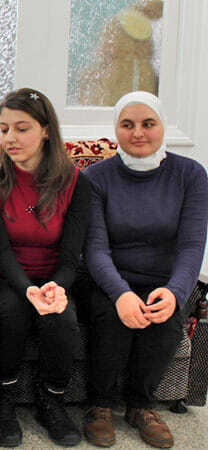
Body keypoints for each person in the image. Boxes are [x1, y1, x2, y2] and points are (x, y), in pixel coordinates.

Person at [83, 91, 208, 449]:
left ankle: (141, 405)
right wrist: (121, 293)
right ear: (116, 130)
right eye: (127, 124)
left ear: (162, 126)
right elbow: (95, 248)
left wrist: (175, 292)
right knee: (111, 317)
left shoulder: (191, 175)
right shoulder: (96, 177)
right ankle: (100, 405)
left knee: (164, 320)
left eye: (147, 123)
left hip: (163, 281)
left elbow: (191, 246)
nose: (138, 132)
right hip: (107, 280)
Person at [0, 88, 91, 447]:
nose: (10, 137)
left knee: (62, 318)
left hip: (56, 276)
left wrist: (56, 287)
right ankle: (2, 401)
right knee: (10, 310)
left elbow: (72, 255)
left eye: (21, 128)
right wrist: (27, 289)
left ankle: (51, 401)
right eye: (4, 129)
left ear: (46, 131)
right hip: (6, 276)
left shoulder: (76, 182)